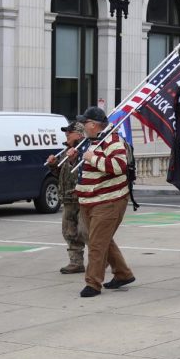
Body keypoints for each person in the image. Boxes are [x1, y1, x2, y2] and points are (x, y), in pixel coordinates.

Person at [71, 106, 135, 298]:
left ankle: (93, 284)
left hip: (108, 201)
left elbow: (119, 166)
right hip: (91, 200)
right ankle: (123, 274)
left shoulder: (113, 140)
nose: (82, 125)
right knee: (102, 241)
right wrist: (76, 158)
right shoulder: (92, 141)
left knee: (97, 244)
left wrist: (93, 157)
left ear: (93, 125)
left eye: (84, 122)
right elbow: (88, 169)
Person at [46, 122, 88, 274]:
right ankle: (76, 262)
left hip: (81, 198)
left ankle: (107, 258)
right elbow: (62, 174)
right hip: (69, 199)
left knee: (87, 232)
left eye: (70, 132)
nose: (67, 134)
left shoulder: (84, 150)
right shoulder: (67, 151)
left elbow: (84, 172)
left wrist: (73, 160)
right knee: (69, 232)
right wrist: (53, 165)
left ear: (79, 134)